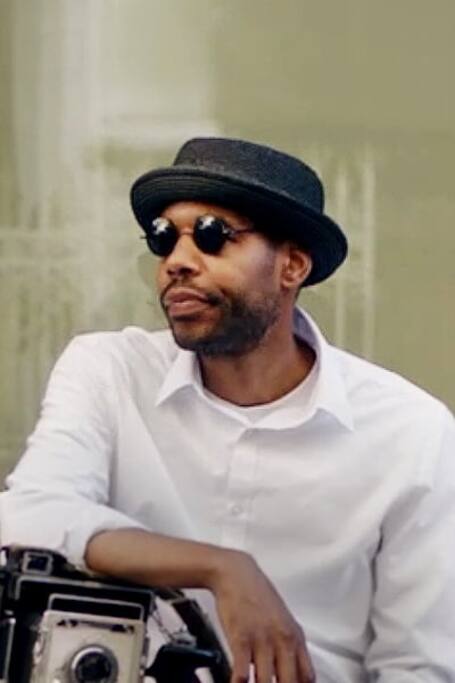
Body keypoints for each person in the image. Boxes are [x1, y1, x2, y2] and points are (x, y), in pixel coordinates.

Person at [1, 137, 454, 683]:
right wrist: (219, 568)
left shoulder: (413, 433)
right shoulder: (110, 371)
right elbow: (29, 514)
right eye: (163, 239)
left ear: (292, 266)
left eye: (213, 236)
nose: (177, 262)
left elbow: (420, 667)